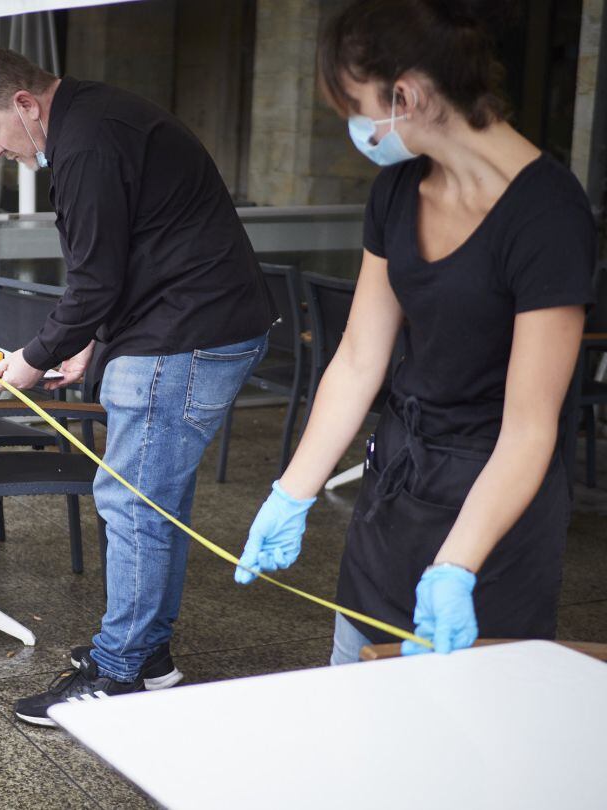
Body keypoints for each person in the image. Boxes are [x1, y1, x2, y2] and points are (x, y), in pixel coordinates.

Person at [235, 0, 596, 664]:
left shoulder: (549, 218)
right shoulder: (398, 192)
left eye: (354, 106)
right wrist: (292, 490)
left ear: (405, 95)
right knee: (357, 704)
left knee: (460, 745)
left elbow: (530, 428)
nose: (355, 126)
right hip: (398, 487)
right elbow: (357, 360)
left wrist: (456, 566)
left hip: (493, 511)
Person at [0, 45, 275, 724]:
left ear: (24, 105)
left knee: (129, 502)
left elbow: (97, 279)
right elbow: (131, 253)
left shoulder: (88, 144)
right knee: (152, 500)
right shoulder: (94, 118)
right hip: (196, 323)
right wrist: (90, 337)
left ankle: (121, 671)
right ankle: (147, 655)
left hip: (186, 333)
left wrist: (33, 360)